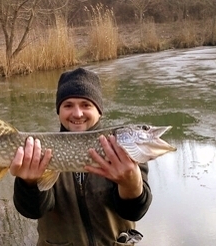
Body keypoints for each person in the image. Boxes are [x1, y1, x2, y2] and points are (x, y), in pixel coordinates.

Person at [9, 67, 152, 245]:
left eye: (86, 105)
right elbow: (34, 211)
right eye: (68, 105)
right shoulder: (41, 150)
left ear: (99, 110)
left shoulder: (122, 150)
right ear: (59, 111)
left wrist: (131, 183)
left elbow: (134, 212)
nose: (77, 114)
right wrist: (28, 184)